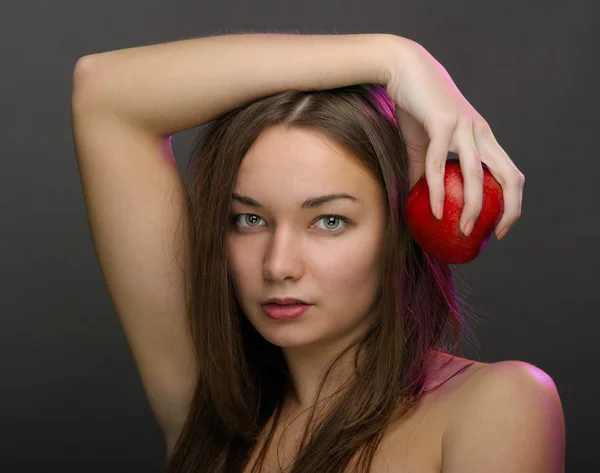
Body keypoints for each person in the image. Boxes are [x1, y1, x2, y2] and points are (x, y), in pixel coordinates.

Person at [70, 32, 565, 473]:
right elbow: (104, 92)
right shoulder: (210, 406)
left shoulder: (497, 406)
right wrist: (394, 57)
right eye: (250, 219)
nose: (278, 265)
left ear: (400, 232)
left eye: (329, 221)